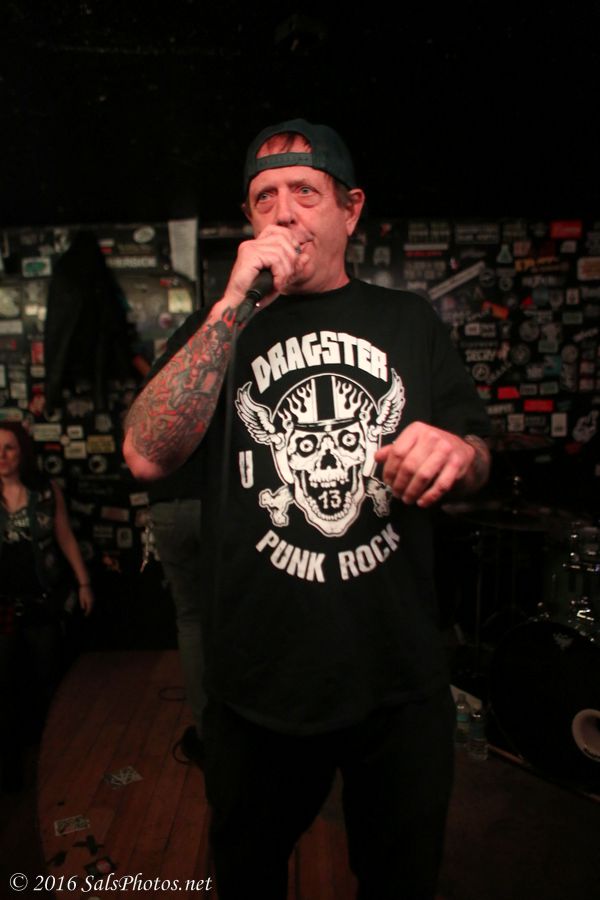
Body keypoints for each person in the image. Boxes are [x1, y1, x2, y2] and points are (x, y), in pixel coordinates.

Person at [123, 118, 491, 900]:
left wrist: (460, 455)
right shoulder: (220, 327)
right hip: (259, 686)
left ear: (350, 211)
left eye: (304, 192)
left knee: (400, 881)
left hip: (396, 681)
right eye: (264, 198)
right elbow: (147, 455)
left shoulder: (409, 323)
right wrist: (232, 304)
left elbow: (477, 458)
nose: (283, 213)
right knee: (248, 876)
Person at [0, 421, 94, 790]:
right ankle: (10, 771)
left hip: (42, 602)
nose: (2, 455)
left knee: (50, 683)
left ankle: (56, 763)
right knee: (5, 688)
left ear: (22, 451)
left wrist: (84, 583)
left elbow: (65, 537)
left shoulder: (44, 490)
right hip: (3, 607)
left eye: (9, 447)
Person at [147, 450, 206, 764]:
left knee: (190, 620)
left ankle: (206, 732)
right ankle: (242, 724)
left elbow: (138, 458)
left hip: (168, 502)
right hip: (215, 499)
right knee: (234, 613)